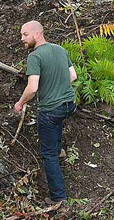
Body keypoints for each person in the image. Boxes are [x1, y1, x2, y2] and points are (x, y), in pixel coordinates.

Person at [14, 20, 77, 205]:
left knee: (47, 154)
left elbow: (32, 88)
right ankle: (60, 151)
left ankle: (59, 197)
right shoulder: (60, 50)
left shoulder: (35, 57)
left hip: (50, 110)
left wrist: (19, 103)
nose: (22, 39)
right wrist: (58, 87)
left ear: (37, 34)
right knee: (56, 122)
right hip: (68, 105)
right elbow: (73, 76)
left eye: (25, 34)